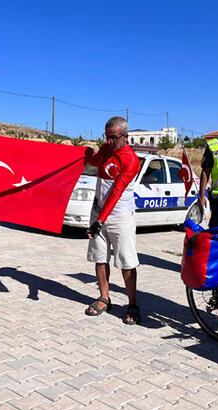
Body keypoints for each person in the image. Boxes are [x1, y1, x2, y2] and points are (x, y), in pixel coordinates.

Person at [83, 116, 141, 324]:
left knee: (126, 262)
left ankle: (133, 303)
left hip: (120, 217)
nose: (108, 142)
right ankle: (104, 298)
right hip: (99, 214)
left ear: (126, 137)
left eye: (113, 138)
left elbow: (116, 192)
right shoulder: (107, 149)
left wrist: (101, 219)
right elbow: (96, 162)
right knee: (100, 257)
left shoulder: (131, 159)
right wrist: (88, 155)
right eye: (106, 137)